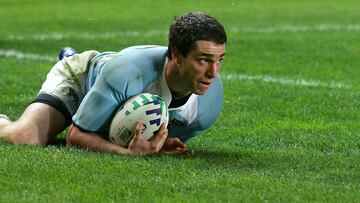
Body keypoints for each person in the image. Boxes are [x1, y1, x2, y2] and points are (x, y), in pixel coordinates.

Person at [0, 12, 227, 156]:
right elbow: (76, 136)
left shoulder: (209, 104)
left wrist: (161, 145)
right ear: (177, 55)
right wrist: (126, 153)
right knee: (24, 138)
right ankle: (71, 58)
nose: (213, 72)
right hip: (82, 80)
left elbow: (136, 132)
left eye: (219, 60)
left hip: (114, 89)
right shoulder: (128, 71)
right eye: (204, 60)